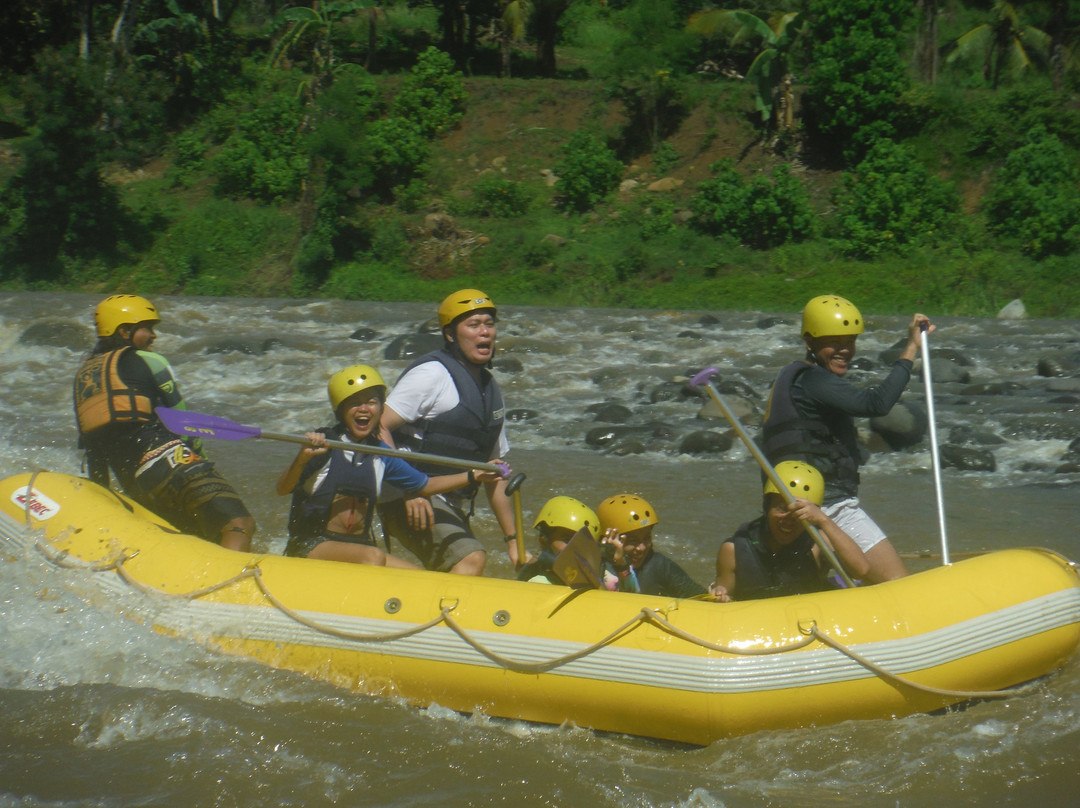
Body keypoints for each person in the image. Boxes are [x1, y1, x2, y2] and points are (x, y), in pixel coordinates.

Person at [760, 295, 934, 584]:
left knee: (862, 580)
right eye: (834, 342)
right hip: (825, 507)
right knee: (896, 584)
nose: (845, 350)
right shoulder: (813, 381)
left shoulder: (799, 379)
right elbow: (876, 404)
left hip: (810, 503)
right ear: (809, 342)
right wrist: (912, 347)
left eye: (850, 342)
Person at [73, 294, 256, 550]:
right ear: (124, 332)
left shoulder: (85, 376)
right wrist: (198, 458)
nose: (153, 335)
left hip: (134, 481)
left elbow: (94, 449)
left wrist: (106, 495)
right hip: (166, 458)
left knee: (192, 538)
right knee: (239, 523)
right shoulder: (149, 360)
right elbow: (181, 419)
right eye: (147, 328)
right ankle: (232, 584)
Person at [276, 364, 501, 568]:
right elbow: (282, 489)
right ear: (341, 411)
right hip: (311, 545)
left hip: (358, 545)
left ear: (381, 409)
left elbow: (426, 485)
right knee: (373, 557)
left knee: (418, 577)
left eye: (371, 402)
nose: (364, 409)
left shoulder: (380, 454)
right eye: (355, 403)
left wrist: (474, 475)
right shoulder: (324, 445)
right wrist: (301, 459)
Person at [377, 289, 518, 576]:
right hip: (404, 494)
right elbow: (378, 425)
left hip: (446, 498)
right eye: (473, 324)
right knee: (469, 559)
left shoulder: (490, 392)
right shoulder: (431, 375)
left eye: (489, 324)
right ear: (451, 334)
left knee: (470, 561)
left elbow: (494, 474)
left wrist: (514, 542)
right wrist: (410, 489)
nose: (485, 333)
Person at [712, 461, 870, 601]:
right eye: (782, 507)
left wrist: (824, 520)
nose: (789, 518)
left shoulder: (818, 542)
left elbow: (861, 571)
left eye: (799, 511)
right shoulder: (733, 551)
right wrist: (721, 596)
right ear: (767, 507)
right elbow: (725, 599)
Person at [597, 494, 707, 598]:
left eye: (647, 538)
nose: (642, 548)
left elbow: (702, 598)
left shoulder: (659, 565)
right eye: (633, 540)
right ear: (608, 539)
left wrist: (718, 595)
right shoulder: (596, 566)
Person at [517, 496, 601, 584]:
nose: (575, 547)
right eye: (566, 539)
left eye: (582, 542)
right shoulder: (539, 582)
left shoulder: (596, 573)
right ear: (544, 541)